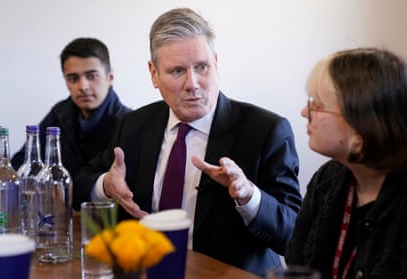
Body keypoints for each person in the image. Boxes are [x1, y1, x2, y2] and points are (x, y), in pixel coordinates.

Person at [73, 7, 301, 276]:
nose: (193, 83)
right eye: (178, 71)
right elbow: (80, 187)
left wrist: (249, 196)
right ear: (154, 74)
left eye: (202, 67)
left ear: (216, 63)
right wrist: (107, 186)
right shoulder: (134, 125)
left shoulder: (266, 131)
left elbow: (295, 236)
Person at [285, 47, 407, 278]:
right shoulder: (329, 178)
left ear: (362, 123)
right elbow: (297, 267)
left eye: (318, 105)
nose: (305, 112)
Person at [12, 37, 131, 179]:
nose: (83, 86)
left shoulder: (129, 123)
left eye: (92, 76)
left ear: (110, 77)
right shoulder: (59, 114)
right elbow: (20, 164)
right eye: (73, 78)